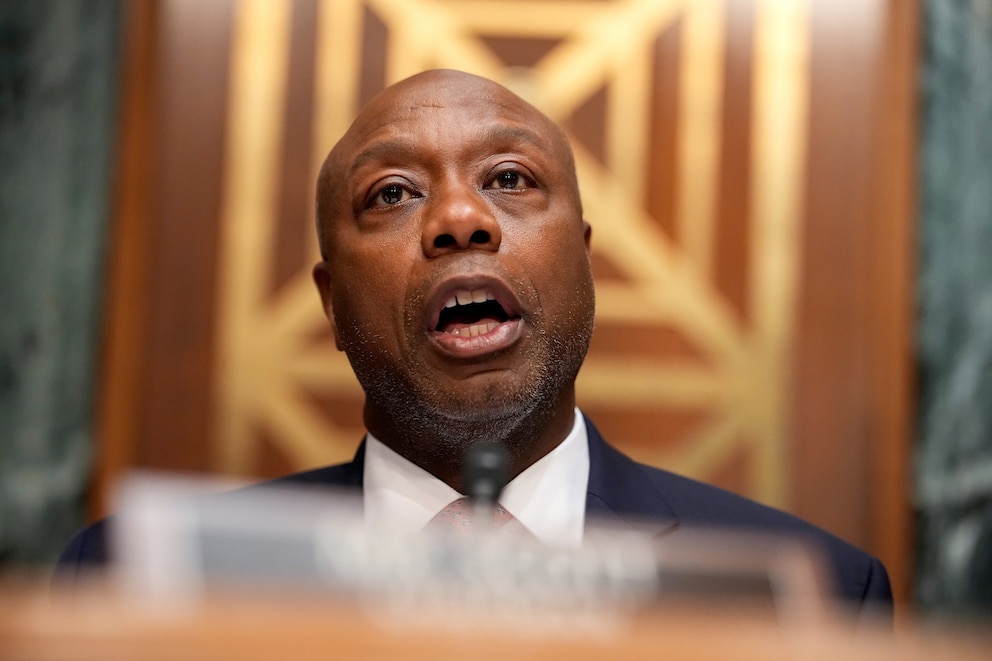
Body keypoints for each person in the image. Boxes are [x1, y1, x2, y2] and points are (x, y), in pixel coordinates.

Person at [58, 69, 892, 619]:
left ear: (586, 262)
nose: (461, 219)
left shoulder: (812, 595)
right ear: (333, 307)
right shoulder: (143, 580)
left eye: (509, 179)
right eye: (392, 193)